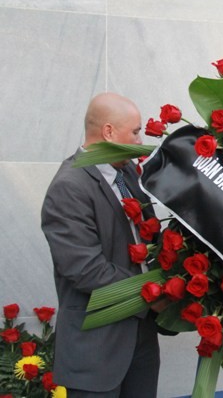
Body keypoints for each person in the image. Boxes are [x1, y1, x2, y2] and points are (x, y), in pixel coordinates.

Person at [41, 92, 161, 397]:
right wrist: (150, 293)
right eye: (135, 132)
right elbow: (85, 269)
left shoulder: (126, 174)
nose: (140, 140)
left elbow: (146, 233)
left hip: (140, 344)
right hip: (96, 354)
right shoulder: (69, 187)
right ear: (108, 132)